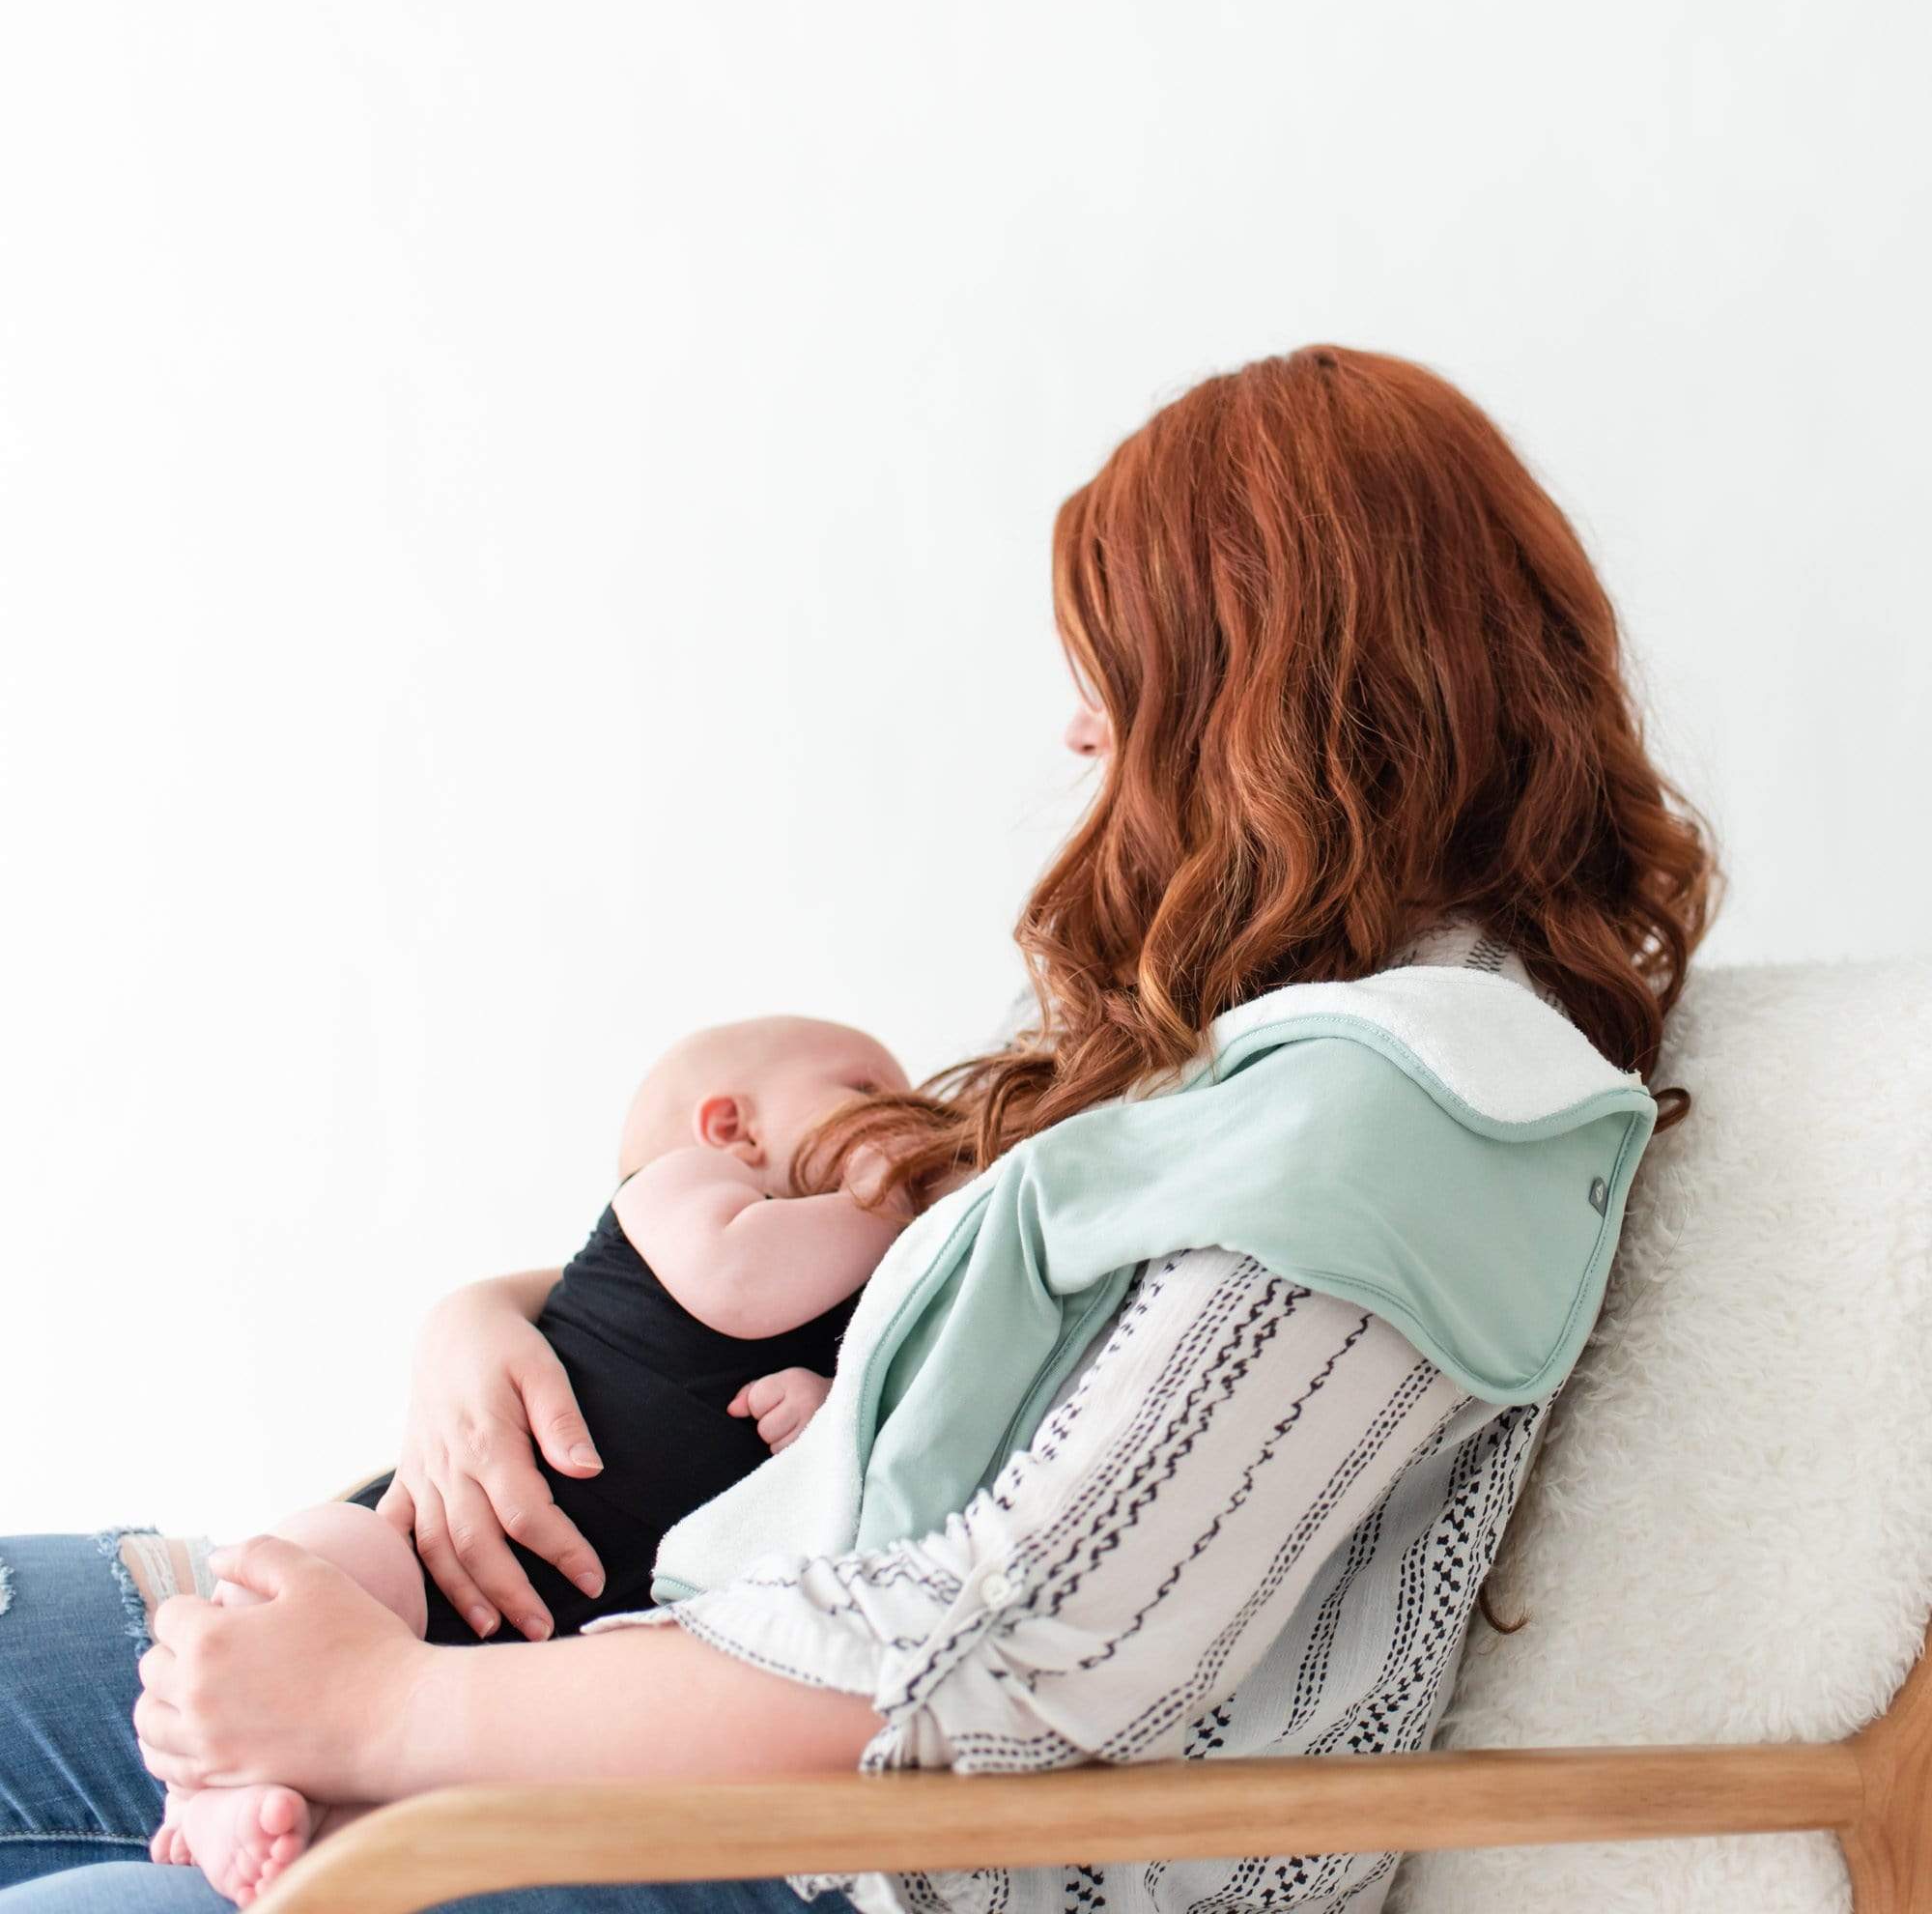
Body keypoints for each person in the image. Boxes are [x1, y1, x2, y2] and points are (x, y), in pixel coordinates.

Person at [0, 343, 1720, 1914]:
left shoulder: (1395, 1117)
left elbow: (1001, 1663)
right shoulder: (1258, 1066)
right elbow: (814, 1279)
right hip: (600, 1653)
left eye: (1118, 673)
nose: (1079, 730)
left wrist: (394, 1708)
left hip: (794, 1845)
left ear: (1273, 696)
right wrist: (488, 1328)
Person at [143, 1015, 920, 1904]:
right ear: (730, 1126)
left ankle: (308, 1811)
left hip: (566, 1646)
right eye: (867, 1091)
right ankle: (202, 1783)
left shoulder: (850, 1283)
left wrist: (822, 1407)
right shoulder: (686, 1189)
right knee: (317, 1560)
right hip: (424, 1550)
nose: (910, 1112)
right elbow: (737, 1281)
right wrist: (889, 1198)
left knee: (436, 1792)